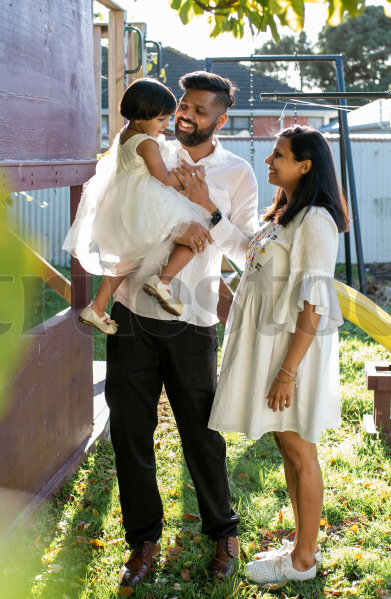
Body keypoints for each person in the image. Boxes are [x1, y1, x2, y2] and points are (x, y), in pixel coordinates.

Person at [103, 72, 259, 588]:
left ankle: (222, 532)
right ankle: (142, 542)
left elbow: (244, 253)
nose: (186, 115)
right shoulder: (152, 148)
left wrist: (205, 203)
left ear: (221, 118)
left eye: (198, 109)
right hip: (130, 310)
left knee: (201, 432)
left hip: (190, 318)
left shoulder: (238, 174)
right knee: (129, 430)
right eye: (183, 106)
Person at [208, 126, 348, 585]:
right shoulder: (284, 214)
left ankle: (303, 560)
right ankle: (299, 547)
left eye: (279, 155)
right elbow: (247, 257)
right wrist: (208, 212)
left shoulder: (316, 222)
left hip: (291, 354)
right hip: (271, 351)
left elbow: (314, 304)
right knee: (287, 447)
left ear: (305, 165)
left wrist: (288, 372)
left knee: (299, 450)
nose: (269, 161)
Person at [62, 78, 210, 334]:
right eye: (161, 119)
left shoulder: (125, 135)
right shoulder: (146, 143)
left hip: (125, 206)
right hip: (147, 204)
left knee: (126, 259)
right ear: (142, 116)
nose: (166, 125)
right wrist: (189, 177)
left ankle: (96, 308)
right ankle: (162, 281)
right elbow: (163, 178)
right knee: (198, 231)